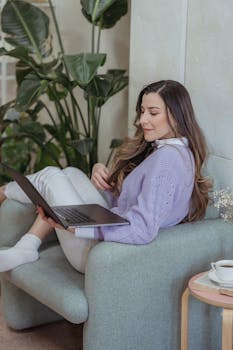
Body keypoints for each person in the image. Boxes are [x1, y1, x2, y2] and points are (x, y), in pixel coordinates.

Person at [0, 80, 212, 274]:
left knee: (52, 176)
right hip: (110, 232)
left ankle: (4, 195)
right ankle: (27, 246)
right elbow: (136, 204)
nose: (142, 120)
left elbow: (143, 229)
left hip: (99, 253)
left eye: (153, 113)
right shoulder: (179, 151)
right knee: (70, 173)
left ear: (176, 115)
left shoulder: (167, 159)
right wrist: (105, 181)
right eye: (142, 111)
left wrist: (76, 226)